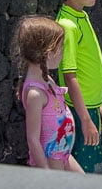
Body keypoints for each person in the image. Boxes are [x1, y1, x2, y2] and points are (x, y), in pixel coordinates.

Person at [52, 0, 102, 173]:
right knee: (81, 169)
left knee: (89, 167)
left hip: (88, 107)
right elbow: (70, 76)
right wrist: (85, 119)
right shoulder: (67, 25)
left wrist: (98, 105)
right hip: (78, 112)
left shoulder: (80, 15)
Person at [12, 16, 84, 173]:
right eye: (60, 49)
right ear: (47, 52)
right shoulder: (35, 94)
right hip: (51, 162)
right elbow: (32, 138)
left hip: (63, 154)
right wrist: (46, 172)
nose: (62, 54)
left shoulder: (47, 79)